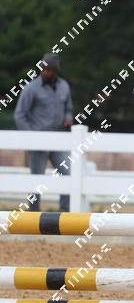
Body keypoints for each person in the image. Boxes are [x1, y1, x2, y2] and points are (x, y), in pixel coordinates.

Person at [14, 53, 73, 211]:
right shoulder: (31, 88)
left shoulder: (64, 86)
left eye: (49, 69)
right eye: (43, 69)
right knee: (36, 181)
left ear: (56, 71)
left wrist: (68, 118)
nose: (45, 72)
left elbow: (68, 109)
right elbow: (20, 115)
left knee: (67, 175)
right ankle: (33, 214)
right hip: (38, 140)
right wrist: (32, 136)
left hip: (59, 140)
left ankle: (65, 214)